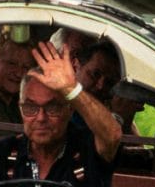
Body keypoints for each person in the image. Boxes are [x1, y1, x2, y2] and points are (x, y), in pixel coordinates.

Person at [31, 30, 125, 161]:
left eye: (109, 82)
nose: (100, 85)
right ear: (75, 65)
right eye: (94, 74)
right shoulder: (51, 99)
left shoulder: (108, 108)